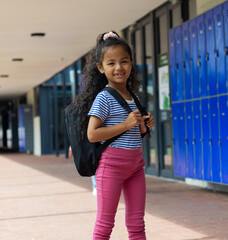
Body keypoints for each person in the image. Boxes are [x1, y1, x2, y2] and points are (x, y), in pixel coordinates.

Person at [73, 31, 154, 240]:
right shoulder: (103, 98)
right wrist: (126, 124)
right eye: (111, 63)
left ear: (131, 63)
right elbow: (93, 134)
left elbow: (137, 132)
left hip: (136, 166)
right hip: (111, 167)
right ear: (101, 68)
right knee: (105, 225)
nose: (119, 67)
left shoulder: (134, 96)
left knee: (137, 224)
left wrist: (145, 125)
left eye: (124, 61)